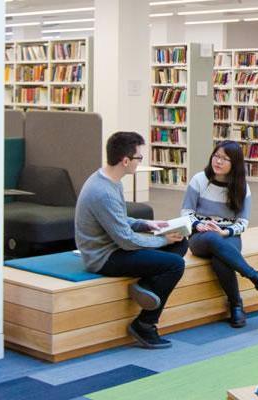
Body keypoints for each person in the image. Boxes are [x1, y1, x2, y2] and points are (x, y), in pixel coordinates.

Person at [75, 131, 189, 349]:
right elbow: (126, 241)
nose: (140, 163)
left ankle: (146, 287)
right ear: (125, 160)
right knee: (175, 264)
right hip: (104, 257)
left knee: (181, 242)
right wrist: (163, 241)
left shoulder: (109, 179)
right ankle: (145, 324)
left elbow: (118, 217)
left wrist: (147, 225)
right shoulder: (103, 191)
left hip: (115, 246)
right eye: (139, 158)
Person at [181, 141, 258, 328]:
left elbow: (243, 223)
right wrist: (199, 225)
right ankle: (255, 277)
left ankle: (235, 304)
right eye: (216, 156)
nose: (218, 161)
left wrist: (225, 231)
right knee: (213, 238)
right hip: (201, 236)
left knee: (220, 260)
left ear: (235, 164)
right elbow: (186, 212)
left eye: (225, 159)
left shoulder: (241, 187)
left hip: (228, 235)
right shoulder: (199, 180)